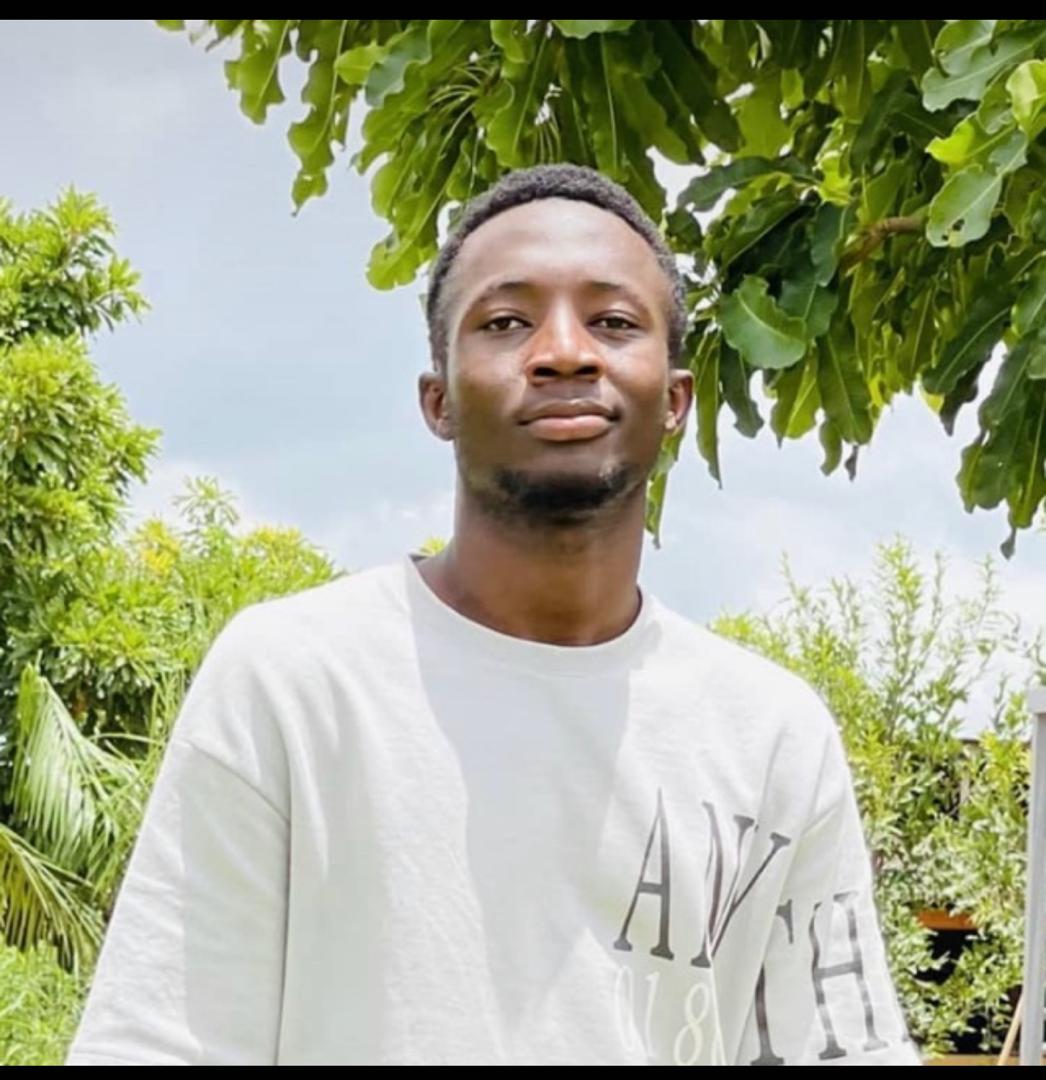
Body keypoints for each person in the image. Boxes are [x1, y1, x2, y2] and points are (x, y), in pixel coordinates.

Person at [65, 162, 922, 1066]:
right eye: (506, 322)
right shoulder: (294, 683)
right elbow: (155, 1046)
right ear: (437, 400)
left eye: (614, 322)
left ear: (675, 400)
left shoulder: (772, 735)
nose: (564, 352)